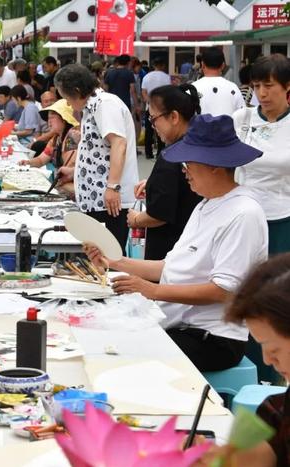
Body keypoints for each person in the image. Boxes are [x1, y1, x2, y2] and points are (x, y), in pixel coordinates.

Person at [85, 114, 268, 373]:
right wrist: (116, 261)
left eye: (188, 164)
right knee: (102, 337)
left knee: (124, 358)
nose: (184, 172)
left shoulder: (243, 213)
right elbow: (170, 267)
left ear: (213, 166)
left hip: (212, 337)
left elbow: (224, 290)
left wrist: (152, 290)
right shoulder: (206, 204)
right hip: (179, 324)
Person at [195, 253, 290, 467]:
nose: (267, 360)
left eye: (274, 349)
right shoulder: (280, 409)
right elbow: (264, 454)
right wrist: (223, 459)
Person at [233, 54, 290, 384]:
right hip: (243, 217)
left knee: (275, 300)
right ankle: (249, 371)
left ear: (286, 88)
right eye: (256, 86)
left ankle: (275, 373)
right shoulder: (241, 118)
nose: (262, 93)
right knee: (245, 296)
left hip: (281, 219)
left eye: (269, 85)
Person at [55, 64, 140, 250]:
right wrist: (74, 171)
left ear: (77, 91)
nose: (68, 104)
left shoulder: (105, 104)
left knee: (109, 257)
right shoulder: (92, 106)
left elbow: (119, 144)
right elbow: (98, 151)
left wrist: (112, 186)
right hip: (98, 199)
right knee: (98, 256)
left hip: (108, 201)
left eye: (67, 98)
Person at [128, 84, 203, 260]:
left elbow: (159, 215)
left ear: (174, 116)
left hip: (171, 247)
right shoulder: (198, 145)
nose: (153, 126)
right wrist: (153, 183)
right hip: (195, 243)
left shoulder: (172, 155)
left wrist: (136, 219)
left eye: (154, 119)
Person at [20, 99, 80, 196]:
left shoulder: (72, 136)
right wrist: (28, 162)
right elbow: (41, 160)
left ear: (64, 119)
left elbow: (67, 172)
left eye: (52, 117)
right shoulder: (56, 138)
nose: (49, 122)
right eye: (48, 118)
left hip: (75, 186)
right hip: (64, 184)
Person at [193, 47, 244, 117]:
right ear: (223, 66)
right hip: (228, 127)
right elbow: (242, 116)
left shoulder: (193, 88)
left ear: (202, 65)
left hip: (199, 128)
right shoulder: (233, 88)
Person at [141, 57, 171, 160]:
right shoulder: (166, 77)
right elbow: (168, 92)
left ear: (154, 65)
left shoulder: (147, 77)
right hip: (163, 107)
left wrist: (150, 102)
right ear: (163, 65)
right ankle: (160, 153)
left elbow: (144, 93)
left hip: (150, 107)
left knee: (149, 130)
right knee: (161, 129)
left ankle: (148, 153)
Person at [29, 91, 59, 156]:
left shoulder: (59, 114)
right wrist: (34, 141)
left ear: (57, 101)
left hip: (54, 143)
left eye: (52, 100)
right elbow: (37, 132)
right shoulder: (40, 114)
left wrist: (35, 141)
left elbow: (54, 132)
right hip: (42, 143)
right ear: (42, 104)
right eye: (46, 101)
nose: (49, 103)